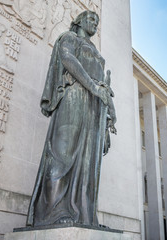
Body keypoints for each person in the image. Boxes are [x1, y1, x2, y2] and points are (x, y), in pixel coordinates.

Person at [26, 10, 116, 227]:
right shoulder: (69, 38)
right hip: (74, 94)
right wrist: (94, 87)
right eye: (91, 19)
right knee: (63, 155)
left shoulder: (94, 49)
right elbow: (67, 60)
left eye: (97, 20)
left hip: (95, 104)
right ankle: (52, 214)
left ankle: (86, 217)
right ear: (79, 21)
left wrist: (110, 113)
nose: (95, 23)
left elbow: (105, 85)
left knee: (88, 163)